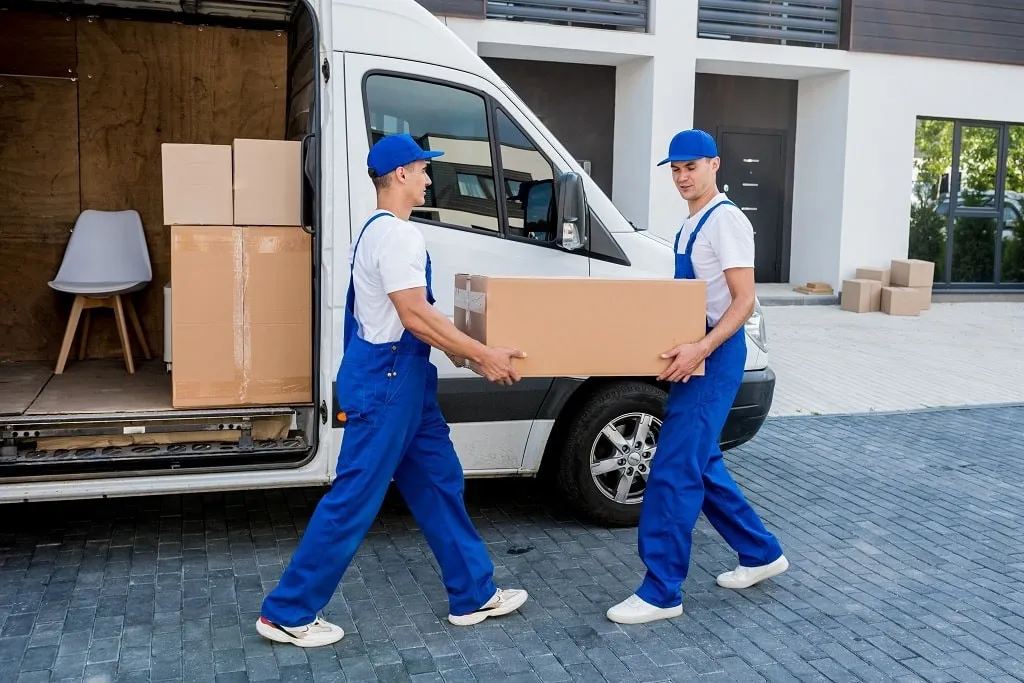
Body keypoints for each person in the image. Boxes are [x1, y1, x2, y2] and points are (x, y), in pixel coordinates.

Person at [256, 133, 529, 647]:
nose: (429, 178)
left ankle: (473, 592)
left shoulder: (378, 231)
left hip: (403, 377)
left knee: (439, 482)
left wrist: (453, 347)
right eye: (423, 170)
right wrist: (480, 353)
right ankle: (288, 612)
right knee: (355, 496)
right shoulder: (399, 236)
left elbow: (413, 315)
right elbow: (413, 313)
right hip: (388, 381)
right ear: (400, 174)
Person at [607, 129, 788, 625]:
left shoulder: (725, 220)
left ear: (715, 164)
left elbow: (743, 299)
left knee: (672, 470)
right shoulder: (690, 224)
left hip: (714, 354)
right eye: (676, 169)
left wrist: (701, 350)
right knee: (701, 463)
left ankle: (662, 590)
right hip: (694, 352)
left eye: (692, 167)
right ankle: (761, 553)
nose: (683, 176)